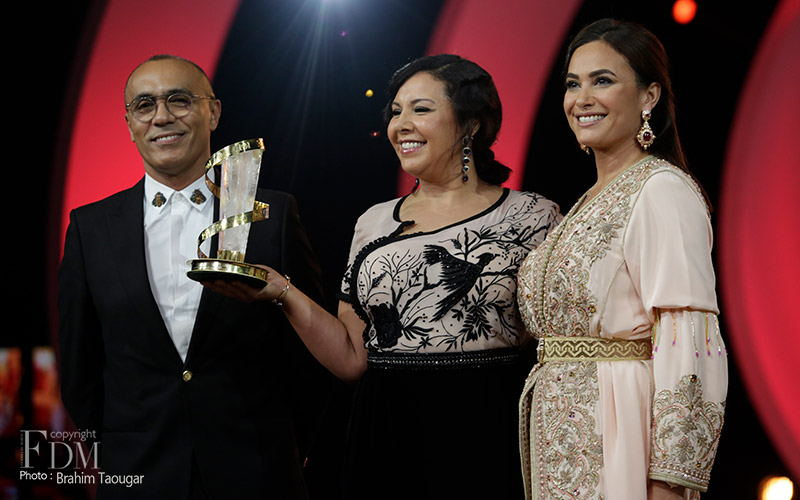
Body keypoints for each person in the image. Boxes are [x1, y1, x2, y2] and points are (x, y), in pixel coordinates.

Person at [204, 54, 560, 499]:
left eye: (421, 109)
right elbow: (353, 360)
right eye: (395, 112)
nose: (401, 125)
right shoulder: (374, 222)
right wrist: (283, 293)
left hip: (488, 426)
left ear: (471, 123)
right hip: (387, 430)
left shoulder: (533, 216)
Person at [58, 54, 329, 499]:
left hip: (259, 474)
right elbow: (79, 368)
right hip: (138, 477)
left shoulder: (272, 216)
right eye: (144, 105)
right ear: (130, 125)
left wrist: (288, 447)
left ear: (213, 112)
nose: (162, 116)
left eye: (179, 100)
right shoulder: (90, 227)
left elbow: (308, 355)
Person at [517, 19, 728, 500]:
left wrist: (671, 482)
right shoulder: (590, 199)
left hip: (621, 433)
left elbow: (689, 338)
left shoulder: (662, 189)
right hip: (563, 439)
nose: (582, 98)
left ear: (649, 96)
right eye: (573, 84)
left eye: (603, 81)